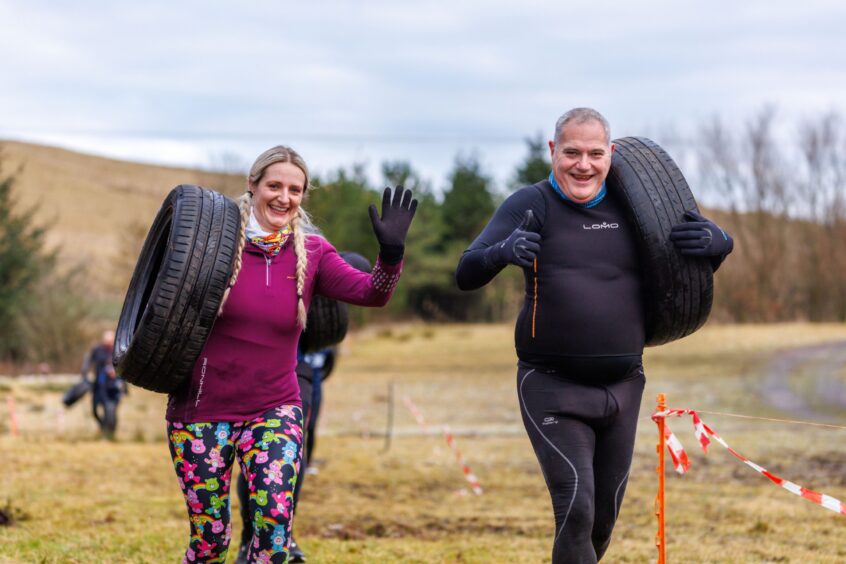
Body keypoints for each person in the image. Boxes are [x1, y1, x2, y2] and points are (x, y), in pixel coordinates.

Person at [455, 108, 733, 563]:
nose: (582, 164)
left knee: (602, 520)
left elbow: (681, 272)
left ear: (612, 155)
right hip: (550, 385)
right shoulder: (531, 204)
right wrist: (503, 252)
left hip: (624, 386)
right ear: (553, 151)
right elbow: (466, 273)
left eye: (594, 153)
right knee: (577, 508)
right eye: (571, 153)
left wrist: (720, 245)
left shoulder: (636, 207)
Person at [165, 145, 416, 563]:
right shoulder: (212, 247)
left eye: (295, 189)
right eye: (275, 186)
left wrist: (390, 255)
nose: (285, 197)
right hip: (202, 410)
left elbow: (371, 293)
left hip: (274, 409)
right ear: (253, 185)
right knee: (210, 542)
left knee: (274, 531)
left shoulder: (314, 253)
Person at [234, 252, 372, 564]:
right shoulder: (245, 254)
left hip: (296, 372)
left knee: (288, 460)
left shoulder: (314, 253)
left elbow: (362, 276)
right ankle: (248, 538)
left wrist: (388, 257)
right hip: (247, 369)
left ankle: (284, 535)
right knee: (252, 460)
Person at [80, 330, 124, 438]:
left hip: (114, 387)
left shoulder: (118, 350)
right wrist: (85, 376)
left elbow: (125, 367)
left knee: (110, 411)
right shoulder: (97, 350)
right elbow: (88, 363)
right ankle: (103, 427)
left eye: (110, 342)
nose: (108, 344)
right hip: (99, 385)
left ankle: (109, 433)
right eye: (106, 342)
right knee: (95, 410)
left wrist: (116, 374)